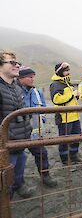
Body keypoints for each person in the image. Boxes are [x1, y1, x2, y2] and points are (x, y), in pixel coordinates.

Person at [0, 51, 33, 199]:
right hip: (5, 146)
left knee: (18, 171)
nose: (17, 65)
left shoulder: (17, 87)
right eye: (12, 62)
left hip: (20, 141)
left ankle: (19, 186)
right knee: (5, 183)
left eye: (17, 62)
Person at [18, 66, 57, 187]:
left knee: (42, 153)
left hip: (34, 133)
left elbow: (43, 108)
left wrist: (43, 121)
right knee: (18, 158)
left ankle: (45, 176)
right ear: (21, 78)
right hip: (17, 133)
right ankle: (18, 184)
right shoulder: (14, 91)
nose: (33, 79)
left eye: (33, 76)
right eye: (30, 77)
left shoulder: (37, 92)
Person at [49, 62, 82, 165]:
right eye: (66, 70)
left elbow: (70, 98)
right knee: (64, 140)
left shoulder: (67, 83)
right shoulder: (55, 84)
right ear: (60, 71)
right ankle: (65, 160)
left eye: (68, 70)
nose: (68, 72)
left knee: (77, 137)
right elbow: (56, 99)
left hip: (74, 116)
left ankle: (74, 155)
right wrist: (72, 95)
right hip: (63, 117)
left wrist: (76, 95)